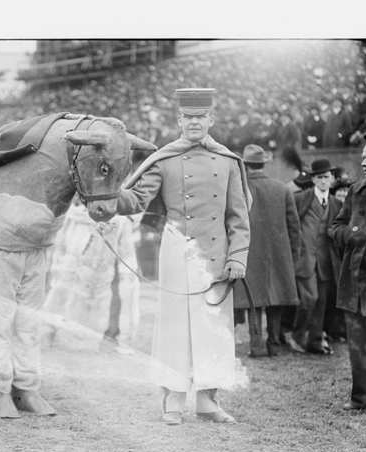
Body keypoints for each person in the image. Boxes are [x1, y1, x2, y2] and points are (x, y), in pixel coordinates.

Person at [117, 88, 251, 425]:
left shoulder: (228, 160)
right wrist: (108, 197)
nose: (194, 122)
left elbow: (238, 217)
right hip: (177, 254)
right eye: (188, 117)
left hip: (216, 257)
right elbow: (137, 199)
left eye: (200, 117)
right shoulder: (164, 159)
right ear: (178, 120)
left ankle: (207, 401)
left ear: (211, 119)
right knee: (175, 329)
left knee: (212, 331)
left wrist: (238, 257)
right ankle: (172, 401)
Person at [328, 133, 366, 410]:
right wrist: (350, 234)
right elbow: (335, 227)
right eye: (362, 157)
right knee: (359, 343)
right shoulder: (356, 190)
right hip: (357, 276)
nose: (364, 163)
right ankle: (364, 397)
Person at [43, 199, 140, 351]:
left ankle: (112, 338)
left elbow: (127, 251)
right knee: (61, 289)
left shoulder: (122, 219)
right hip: (77, 241)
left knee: (114, 294)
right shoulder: (73, 216)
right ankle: (49, 332)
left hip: (109, 246)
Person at [233, 145, 301, 357]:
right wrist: (293, 256)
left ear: (245, 165)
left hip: (250, 253)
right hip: (279, 254)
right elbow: (294, 227)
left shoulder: (238, 190)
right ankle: (274, 342)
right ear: (263, 164)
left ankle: (256, 345)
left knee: (254, 301)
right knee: (275, 298)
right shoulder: (282, 189)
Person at [291, 158, 342, 354]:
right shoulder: (301, 199)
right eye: (319, 177)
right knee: (309, 298)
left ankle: (314, 340)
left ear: (332, 179)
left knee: (321, 301)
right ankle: (297, 335)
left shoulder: (337, 204)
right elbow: (291, 225)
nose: (322, 181)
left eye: (326, 177)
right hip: (305, 259)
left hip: (325, 261)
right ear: (313, 179)